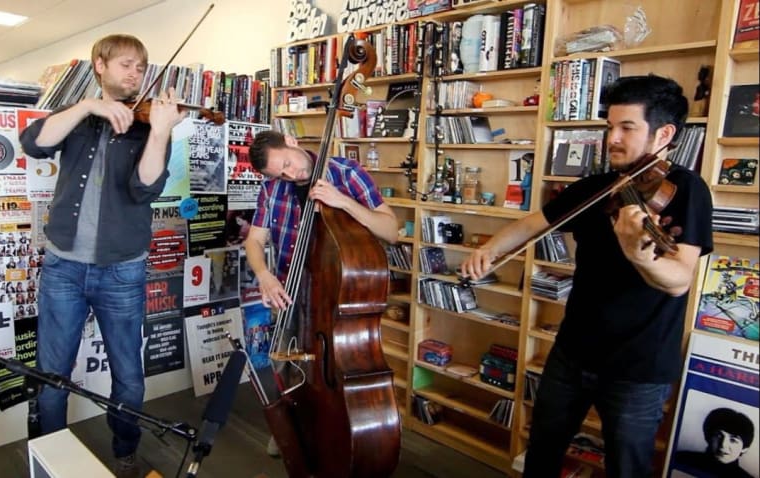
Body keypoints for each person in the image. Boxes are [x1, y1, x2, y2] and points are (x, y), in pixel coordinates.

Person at [460, 75, 713, 477]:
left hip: (638, 368)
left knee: (626, 468)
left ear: (664, 133)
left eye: (627, 128)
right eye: (609, 126)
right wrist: (491, 248)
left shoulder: (686, 191)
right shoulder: (596, 187)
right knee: (541, 451)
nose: (612, 138)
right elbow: (530, 225)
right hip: (572, 353)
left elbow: (678, 278)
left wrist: (638, 255)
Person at [19, 33, 186, 476]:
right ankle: (48, 455)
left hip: (122, 269)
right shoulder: (78, 117)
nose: (136, 73)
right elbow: (34, 143)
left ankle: (125, 448)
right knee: (52, 375)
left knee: (129, 375)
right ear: (100, 65)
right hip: (63, 266)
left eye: (141, 67)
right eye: (127, 64)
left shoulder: (150, 125)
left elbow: (145, 187)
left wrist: (162, 131)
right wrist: (88, 107)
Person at [243, 130, 399, 456]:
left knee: (337, 367)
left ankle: (342, 426)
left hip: (339, 293)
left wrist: (343, 201)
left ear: (292, 140)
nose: (290, 175)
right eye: (279, 173)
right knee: (288, 362)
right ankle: (294, 423)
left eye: (288, 164)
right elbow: (254, 241)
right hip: (291, 288)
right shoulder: (271, 188)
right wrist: (264, 275)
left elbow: (391, 231)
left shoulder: (346, 173)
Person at [673, 407, 755, 478]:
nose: (723, 445)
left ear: (744, 448)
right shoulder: (680, 460)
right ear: (708, 437)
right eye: (719, 436)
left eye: (733, 440)